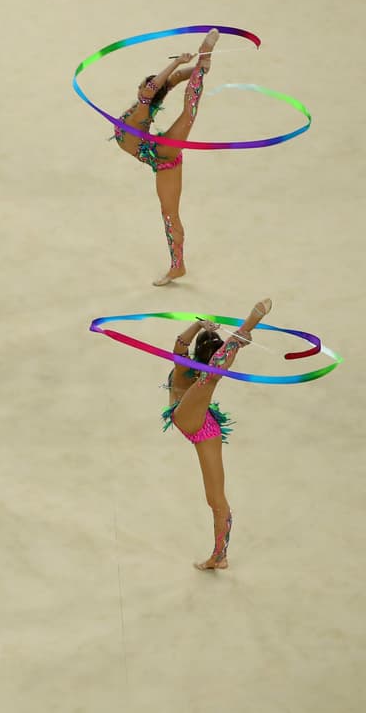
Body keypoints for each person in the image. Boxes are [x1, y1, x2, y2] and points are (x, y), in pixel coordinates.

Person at [162, 298, 272, 570]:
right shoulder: (184, 368)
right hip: (205, 425)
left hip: (190, 417)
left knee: (209, 379)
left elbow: (180, 343)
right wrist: (199, 324)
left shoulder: (185, 369)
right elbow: (180, 345)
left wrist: (197, 326)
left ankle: (244, 329)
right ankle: (219, 556)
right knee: (215, 499)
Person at [112, 28, 220, 286]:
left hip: (161, 156)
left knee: (188, 115)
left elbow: (154, 87)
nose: (141, 88)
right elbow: (165, 83)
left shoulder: (140, 112)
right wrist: (187, 68)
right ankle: (178, 266)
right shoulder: (143, 108)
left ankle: (177, 266)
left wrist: (188, 64)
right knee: (169, 213)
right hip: (159, 158)